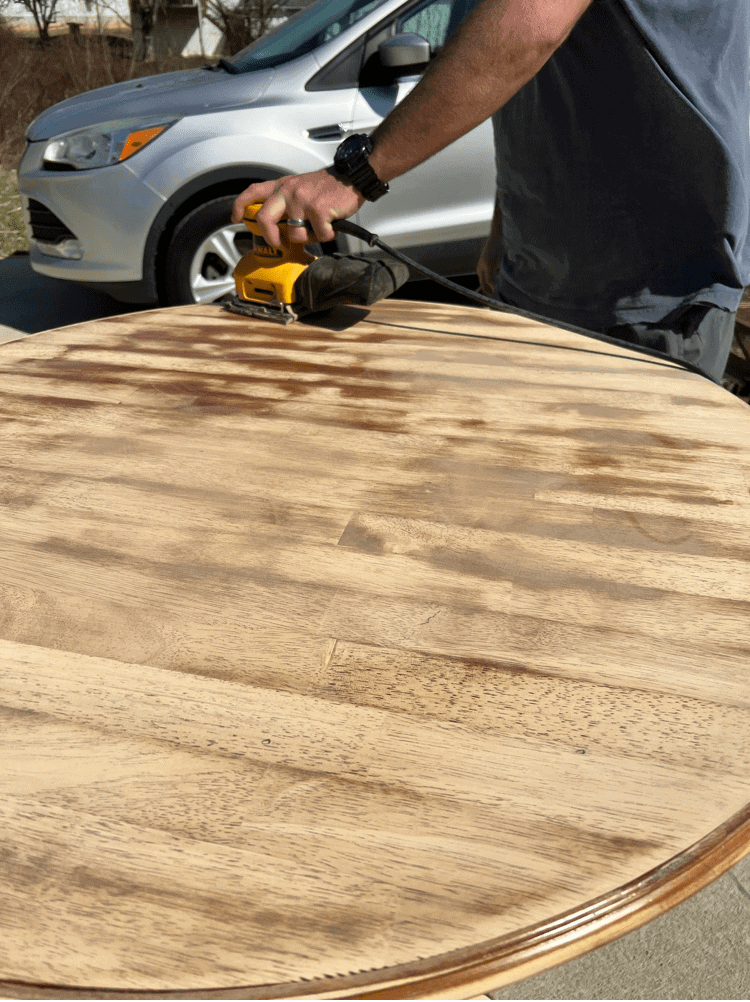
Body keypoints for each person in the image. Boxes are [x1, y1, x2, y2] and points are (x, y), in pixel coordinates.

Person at [233, 0, 750, 382]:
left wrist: (355, 173)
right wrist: (505, 229)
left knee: (622, 516)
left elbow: (531, 23)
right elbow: (542, 85)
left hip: (650, 301)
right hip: (540, 281)